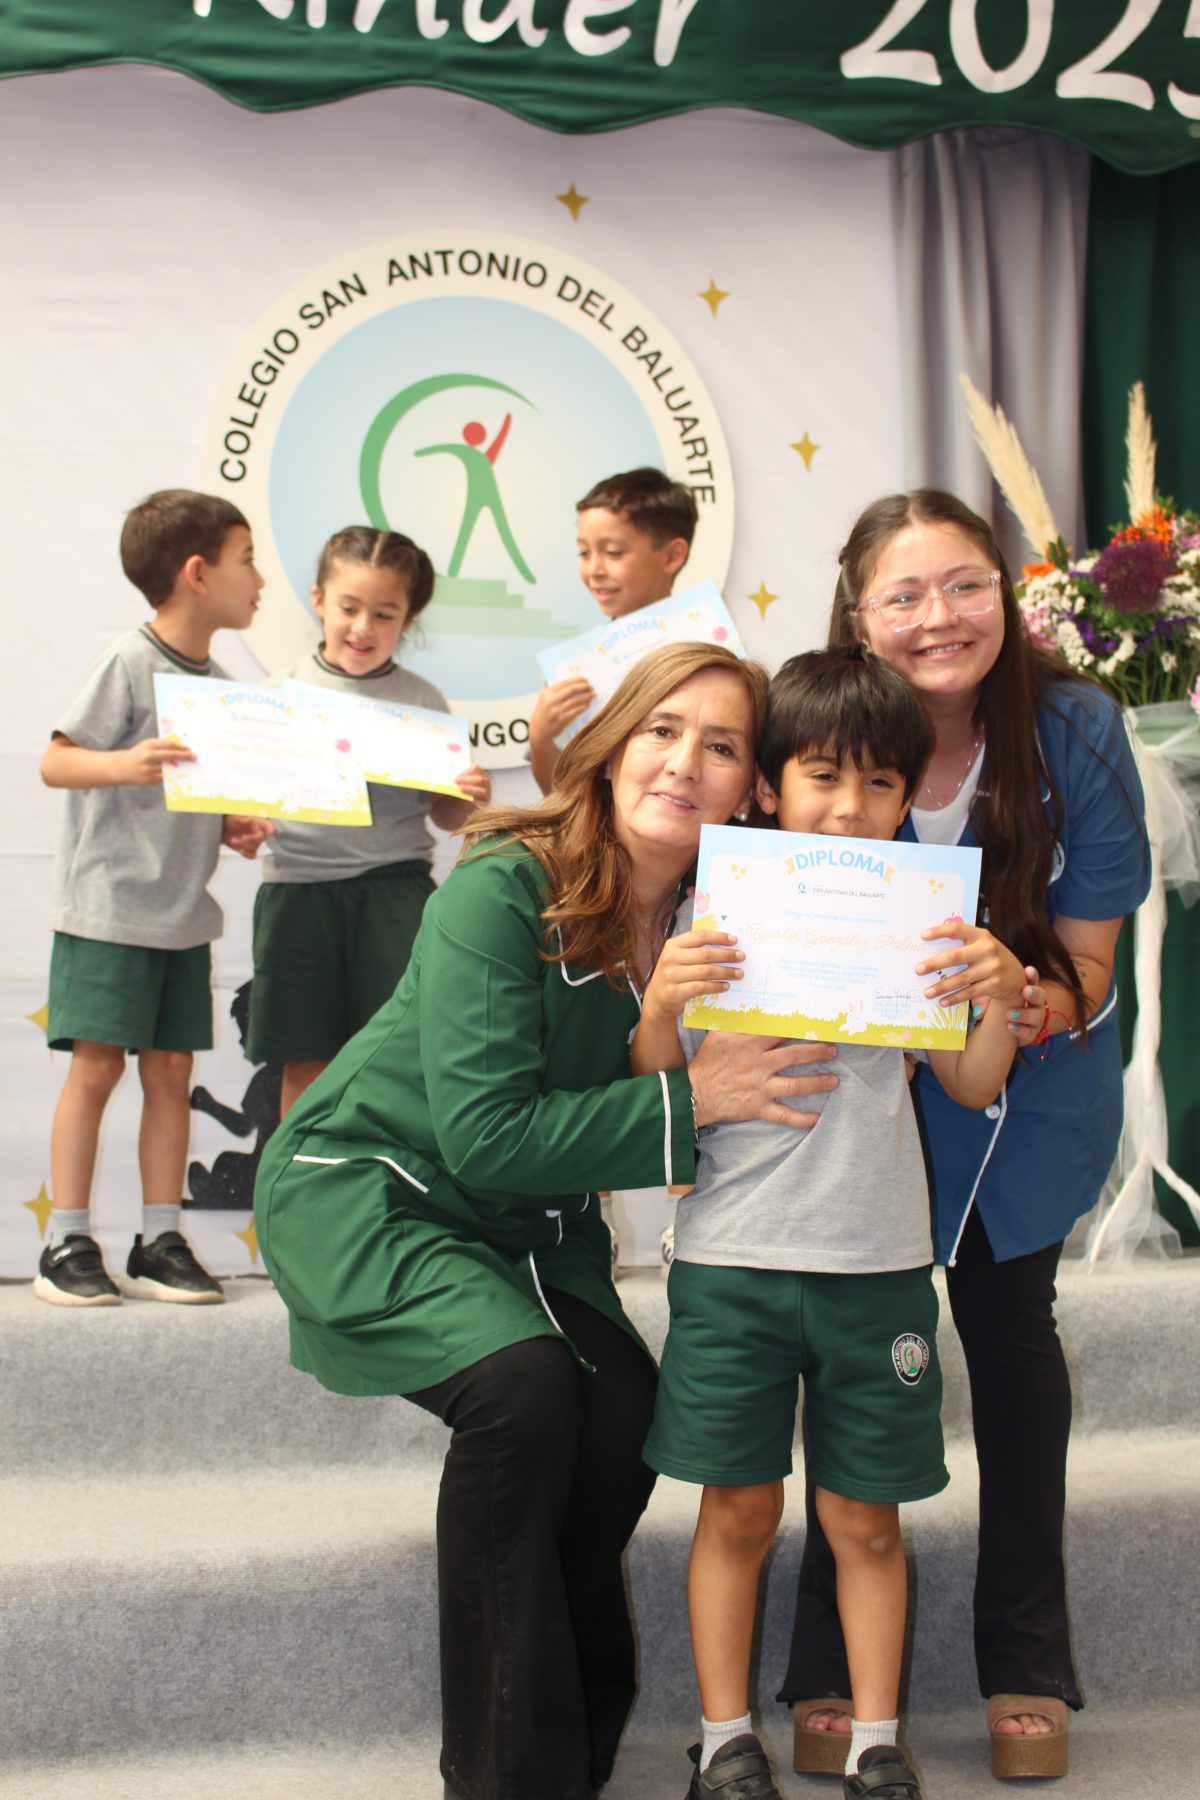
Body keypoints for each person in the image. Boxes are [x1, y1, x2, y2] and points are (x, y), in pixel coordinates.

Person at [253, 642, 842, 1800]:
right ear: (611, 748)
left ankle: (572, 1736)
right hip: (370, 1185)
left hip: (527, 1231)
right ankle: (504, 1774)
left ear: (753, 786)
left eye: (722, 744)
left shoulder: (739, 917)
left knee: (623, 1410)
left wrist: (984, 986)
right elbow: (484, 1138)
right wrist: (690, 1099)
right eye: (661, 730)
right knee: (523, 1396)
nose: (685, 761)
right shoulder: (501, 884)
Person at [779, 491, 1151, 1781]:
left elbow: (1094, 966)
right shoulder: (815, 727)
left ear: (1008, 594)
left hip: (1030, 1086)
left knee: (1011, 1350)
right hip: (849, 1103)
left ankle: (1028, 1663)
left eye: (967, 586)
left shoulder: (1079, 731)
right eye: (905, 595)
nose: (940, 619)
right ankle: (826, 1666)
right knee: (848, 1362)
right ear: (857, 612)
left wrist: (1027, 997)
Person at [634, 647, 1042, 1800]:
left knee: (866, 1522)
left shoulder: (920, 927)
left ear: (908, 797)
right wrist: (664, 1007)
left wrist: (999, 995)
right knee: (739, 1510)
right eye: (820, 777)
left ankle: (875, 1740)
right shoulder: (711, 910)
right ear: (767, 787)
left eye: (877, 786)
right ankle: (723, 1738)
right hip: (730, 1261)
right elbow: (653, 1081)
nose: (848, 809)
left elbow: (967, 1083)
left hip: (875, 1264)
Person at [36, 488, 272, 1307]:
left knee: (171, 1069)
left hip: (180, 916)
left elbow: (186, 796)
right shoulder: (131, 661)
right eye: (248, 561)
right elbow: (57, 761)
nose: (260, 580)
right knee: (97, 1068)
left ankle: (158, 1238)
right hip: (110, 909)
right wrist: (124, 763)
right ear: (198, 573)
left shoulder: (218, 682)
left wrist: (228, 826)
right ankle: (65, 1238)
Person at [245, 525, 490, 1115]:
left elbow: (447, 813)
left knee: (398, 1054)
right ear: (319, 600)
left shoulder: (423, 700)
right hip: (298, 891)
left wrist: (469, 795)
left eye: (384, 614)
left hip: (394, 891)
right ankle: (296, 1204)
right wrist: (244, 820)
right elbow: (248, 802)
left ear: (408, 620)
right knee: (306, 1060)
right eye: (349, 607)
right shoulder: (279, 695)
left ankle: (385, 1198)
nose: (363, 628)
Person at [527, 466, 698, 793]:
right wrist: (541, 739)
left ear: (673, 555)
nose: (594, 570)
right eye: (584, 552)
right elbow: (557, 793)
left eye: (614, 552)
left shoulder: (710, 653)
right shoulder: (576, 669)